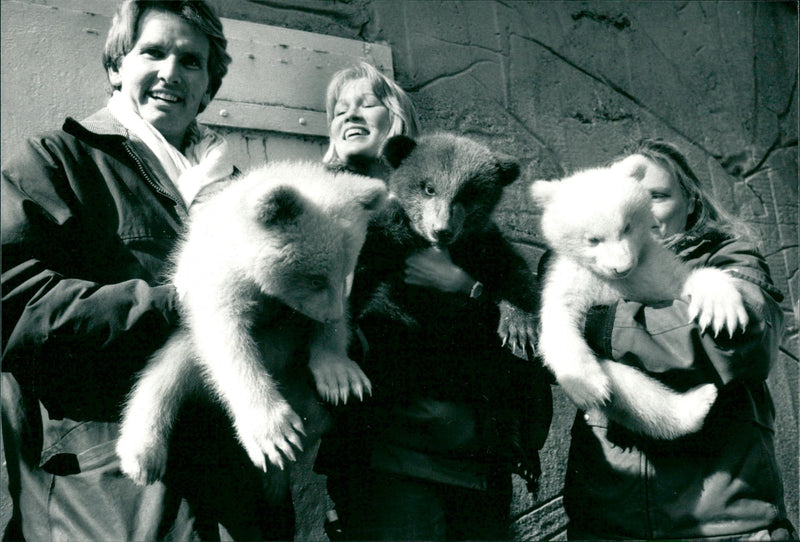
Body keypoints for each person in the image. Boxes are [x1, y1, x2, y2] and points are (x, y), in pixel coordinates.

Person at [1, 1, 293, 540]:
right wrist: (178, 304)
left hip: (235, 495)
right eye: (152, 52)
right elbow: (12, 305)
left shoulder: (243, 191)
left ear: (208, 86)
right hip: (105, 495)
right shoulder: (56, 161)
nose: (171, 73)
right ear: (116, 66)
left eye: (191, 61)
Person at [313, 62, 550, 541]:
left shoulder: (456, 190)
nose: (350, 115)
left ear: (396, 118)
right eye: (339, 109)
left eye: (366, 103)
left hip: (470, 449)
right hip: (388, 448)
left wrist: (470, 289)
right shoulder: (325, 205)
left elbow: (519, 310)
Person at [561, 138, 795, 540]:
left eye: (659, 196)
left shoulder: (730, 257)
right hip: (608, 521)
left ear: (691, 202)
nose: (644, 211)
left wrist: (593, 329)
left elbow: (739, 342)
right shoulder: (584, 265)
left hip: (726, 523)